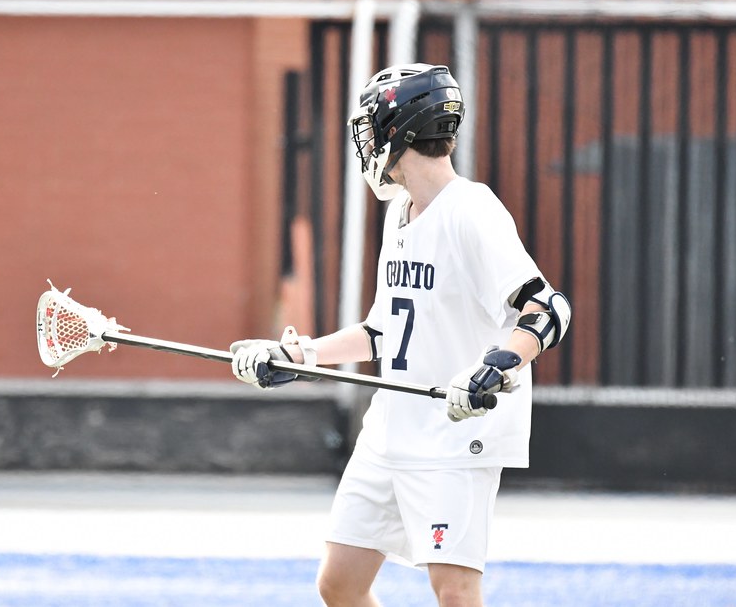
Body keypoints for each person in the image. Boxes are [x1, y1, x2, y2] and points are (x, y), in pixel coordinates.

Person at [229, 63, 570, 607]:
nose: (365, 142)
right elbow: (382, 331)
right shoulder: (401, 214)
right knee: (339, 583)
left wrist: (496, 365)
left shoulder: (472, 210)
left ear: (400, 129)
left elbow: (546, 308)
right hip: (391, 430)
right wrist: (301, 354)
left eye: (371, 126)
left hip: (456, 438)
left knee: (454, 591)